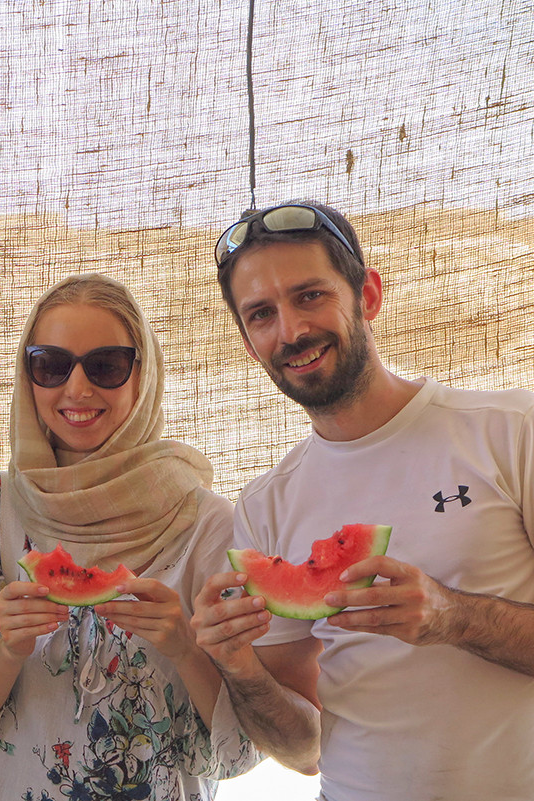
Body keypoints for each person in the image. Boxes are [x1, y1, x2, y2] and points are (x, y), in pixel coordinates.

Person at [191, 203, 534, 801]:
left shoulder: (510, 432)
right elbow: (303, 751)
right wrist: (240, 667)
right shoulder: (266, 505)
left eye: (309, 296)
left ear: (367, 295)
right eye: (261, 314)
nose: (291, 331)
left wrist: (455, 617)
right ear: (249, 342)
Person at [0, 274, 260, 801]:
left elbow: (240, 750)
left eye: (106, 365)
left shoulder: (207, 525)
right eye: (50, 365)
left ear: (142, 375)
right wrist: (9, 648)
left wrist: (183, 648)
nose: (77, 389)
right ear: (28, 376)